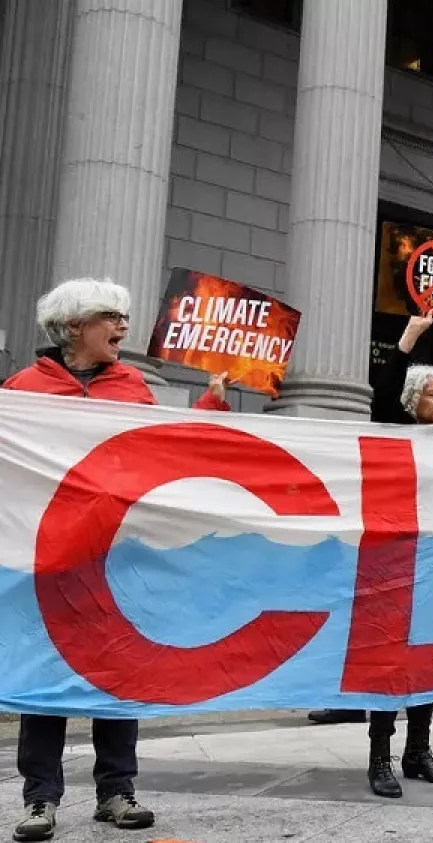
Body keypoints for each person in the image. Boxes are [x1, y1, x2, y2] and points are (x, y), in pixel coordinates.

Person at [4, 278, 231, 841]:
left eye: (123, 316)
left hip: (117, 558)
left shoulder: (132, 386)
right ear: (74, 325)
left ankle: (117, 791)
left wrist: (209, 405)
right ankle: (40, 799)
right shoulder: (23, 390)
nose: (123, 326)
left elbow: (164, 450)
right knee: (45, 678)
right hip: (47, 562)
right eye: (111, 316)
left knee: (118, 671)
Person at [359, 313, 433, 797]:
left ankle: (418, 751)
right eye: (432, 394)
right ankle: (379, 756)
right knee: (390, 659)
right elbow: (382, 397)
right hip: (393, 562)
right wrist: (409, 339)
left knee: (427, 658)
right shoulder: (394, 430)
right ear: (412, 400)